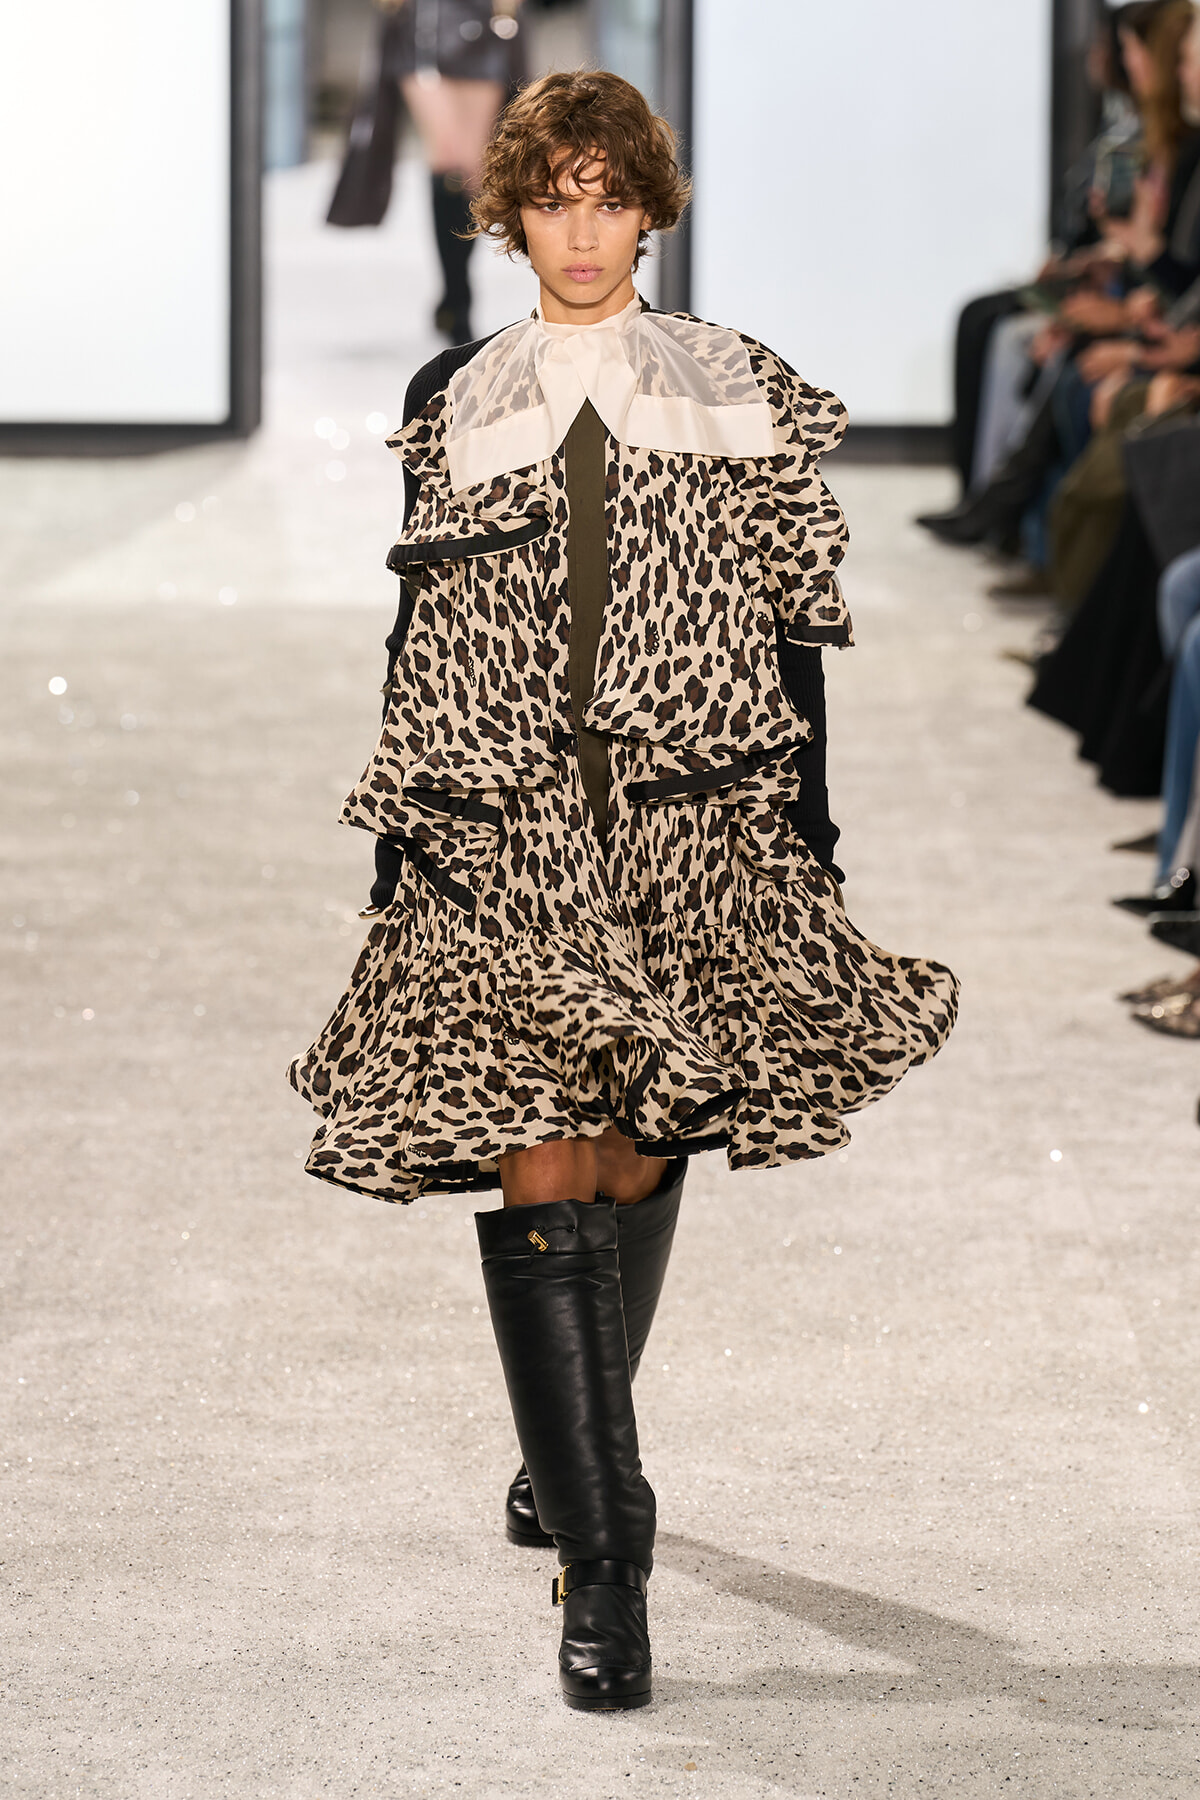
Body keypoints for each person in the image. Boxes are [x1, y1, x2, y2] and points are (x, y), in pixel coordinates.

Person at [290, 69, 958, 1713]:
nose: (580, 228)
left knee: (641, 1144)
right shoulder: (455, 392)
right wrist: (410, 841)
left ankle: (572, 1444)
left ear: (650, 205)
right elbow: (421, 625)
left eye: (608, 194)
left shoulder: (730, 382)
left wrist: (803, 833)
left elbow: (791, 632)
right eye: (550, 197)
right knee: (541, 1157)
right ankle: (609, 1567)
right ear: (507, 214)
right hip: (514, 825)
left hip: (684, 817)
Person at [327, 0, 527, 344]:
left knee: (472, 168)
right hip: (422, 22)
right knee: (449, 156)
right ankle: (459, 303)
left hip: (487, 19)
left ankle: (453, 295)